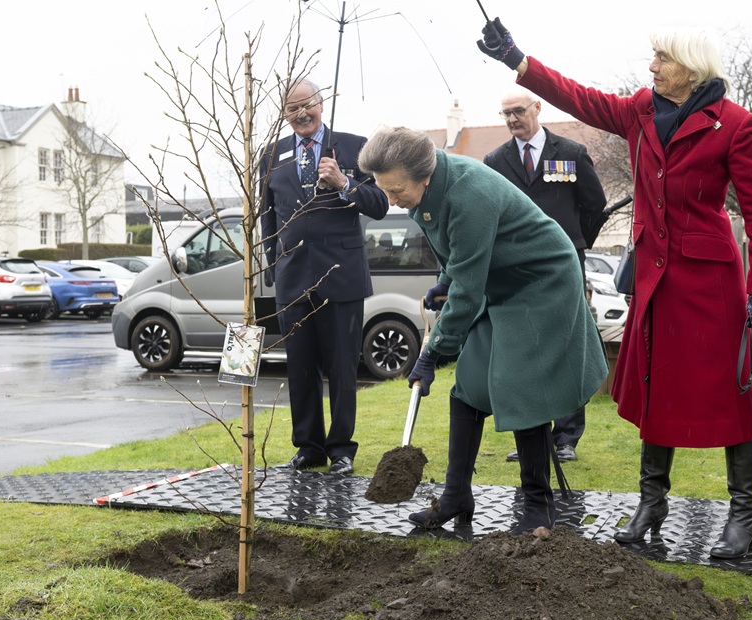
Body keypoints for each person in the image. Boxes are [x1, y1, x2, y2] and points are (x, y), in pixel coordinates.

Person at [478, 21, 752, 558]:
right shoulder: (639, 111)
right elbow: (579, 97)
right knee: (656, 387)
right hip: (655, 280)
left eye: (661, 59)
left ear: (690, 68)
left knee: (732, 395)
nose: (652, 68)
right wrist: (518, 60)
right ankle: (652, 502)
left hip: (712, 283)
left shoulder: (734, 125)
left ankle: (743, 514)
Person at [357, 126, 608, 535]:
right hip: (500, 278)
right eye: (385, 190)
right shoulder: (425, 190)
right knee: (470, 386)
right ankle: (457, 496)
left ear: (424, 175)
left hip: (540, 281)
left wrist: (431, 354)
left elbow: (469, 294)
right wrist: (444, 280)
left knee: (519, 386)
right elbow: (453, 254)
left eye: (396, 190)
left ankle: (538, 506)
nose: (391, 200)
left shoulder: (469, 193)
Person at [259, 78, 389, 475]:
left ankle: (342, 450)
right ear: (284, 113)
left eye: (308, 106)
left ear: (321, 104)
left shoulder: (353, 147)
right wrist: (273, 260)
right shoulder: (272, 155)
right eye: (293, 108)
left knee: (342, 368)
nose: (301, 114)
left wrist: (344, 183)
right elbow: (268, 215)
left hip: (341, 278)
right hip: (292, 279)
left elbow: (381, 203)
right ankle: (308, 447)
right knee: (300, 367)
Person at [484, 86, 608, 464]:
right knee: (525, 348)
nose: (511, 120)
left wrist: (575, 243)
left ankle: (566, 437)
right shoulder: (494, 161)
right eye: (505, 114)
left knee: (566, 344)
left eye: (518, 111)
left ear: (537, 107)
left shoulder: (570, 154)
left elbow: (596, 206)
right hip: (517, 268)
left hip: (564, 265)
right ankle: (531, 434)